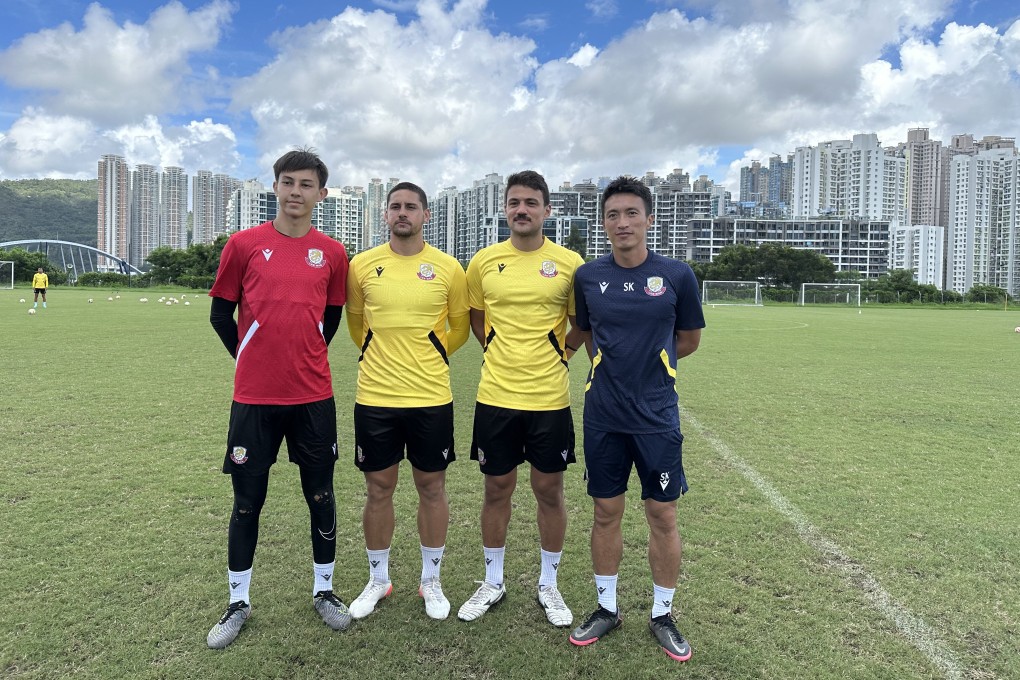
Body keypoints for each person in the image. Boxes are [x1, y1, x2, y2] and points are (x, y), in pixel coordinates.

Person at [205, 149, 350, 649]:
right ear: (275, 187)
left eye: (306, 184)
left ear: (321, 195)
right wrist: (249, 359)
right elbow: (221, 316)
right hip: (254, 400)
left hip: (313, 398)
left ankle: (325, 591)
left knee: (321, 496)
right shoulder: (244, 245)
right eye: (288, 182)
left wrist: (302, 353)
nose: (295, 192)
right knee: (247, 504)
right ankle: (238, 602)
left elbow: (328, 321)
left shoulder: (332, 252)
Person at [568, 176, 705, 662]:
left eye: (631, 213)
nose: (621, 223)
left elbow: (687, 339)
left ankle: (662, 613)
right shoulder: (587, 276)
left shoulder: (676, 275)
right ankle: (607, 608)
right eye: (612, 215)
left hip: (657, 418)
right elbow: (582, 333)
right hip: (603, 416)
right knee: (606, 513)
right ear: (603, 222)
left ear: (649, 218)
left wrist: (655, 367)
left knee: (662, 514)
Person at [458, 170, 585, 627]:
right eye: (514, 202)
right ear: (505, 208)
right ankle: (493, 580)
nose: (522, 210)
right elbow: (476, 316)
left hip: (550, 400)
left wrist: (563, 352)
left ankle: (548, 584)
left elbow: (582, 321)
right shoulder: (485, 261)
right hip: (496, 396)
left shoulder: (570, 263)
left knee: (549, 491)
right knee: (497, 488)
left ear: (547, 210)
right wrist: (494, 348)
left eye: (531, 202)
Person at [344, 182, 470, 621]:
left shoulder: (449, 268)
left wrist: (426, 356)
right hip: (375, 397)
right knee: (378, 489)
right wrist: (387, 356)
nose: (402, 213)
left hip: (431, 397)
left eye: (411, 207)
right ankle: (378, 579)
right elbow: (357, 327)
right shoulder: (361, 266)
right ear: (385, 215)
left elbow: (459, 330)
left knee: (431, 487)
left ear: (426, 215)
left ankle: (430, 580)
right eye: (395, 206)